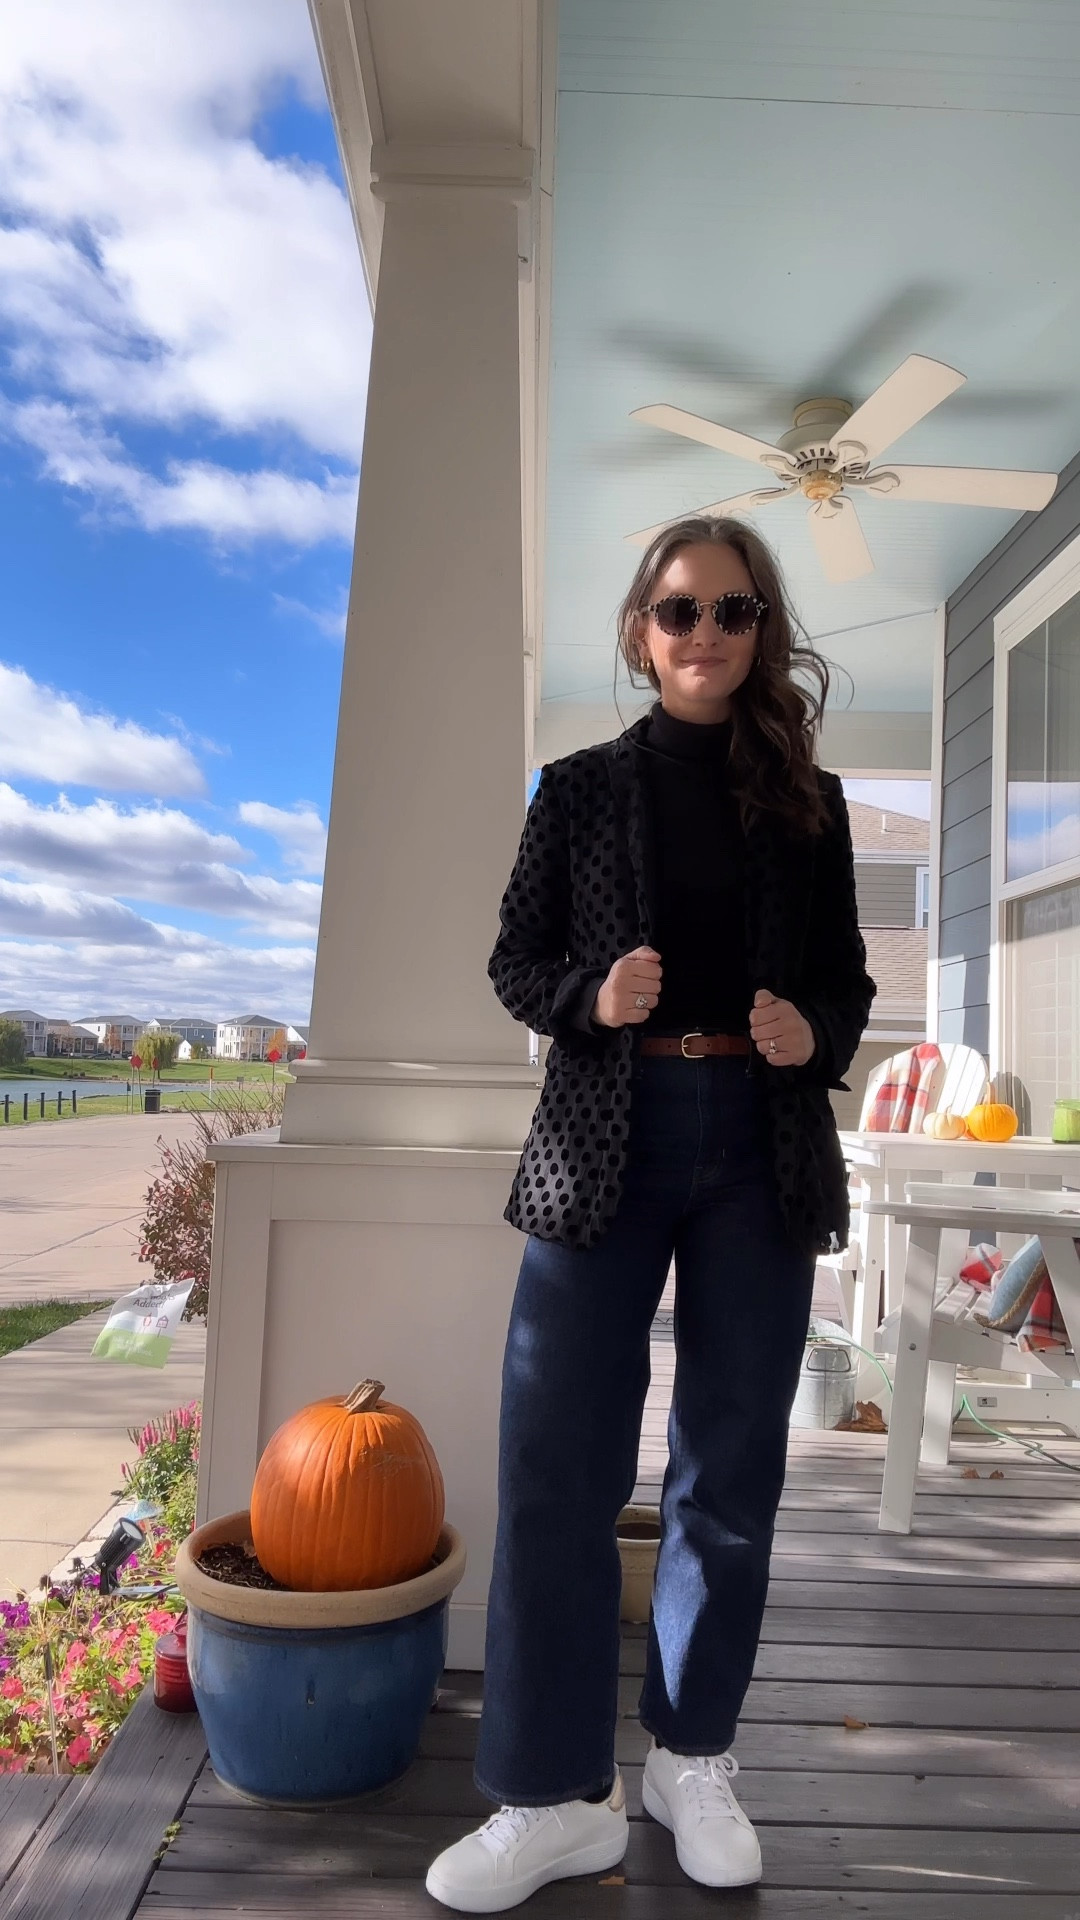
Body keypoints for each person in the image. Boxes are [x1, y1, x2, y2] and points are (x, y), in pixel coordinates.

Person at [426, 516, 876, 1913]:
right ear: (640, 630)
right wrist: (589, 998)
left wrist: (814, 1028)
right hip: (600, 1141)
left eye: (735, 612)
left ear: (761, 631)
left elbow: (847, 983)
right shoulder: (572, 790)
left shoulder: (813, 803)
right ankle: (554, 1796)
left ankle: (693, 1758)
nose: (706, 634)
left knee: (729, 1469)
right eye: (680, 611)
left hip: (759, 1140)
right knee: (556, 1462)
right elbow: (516, 958)